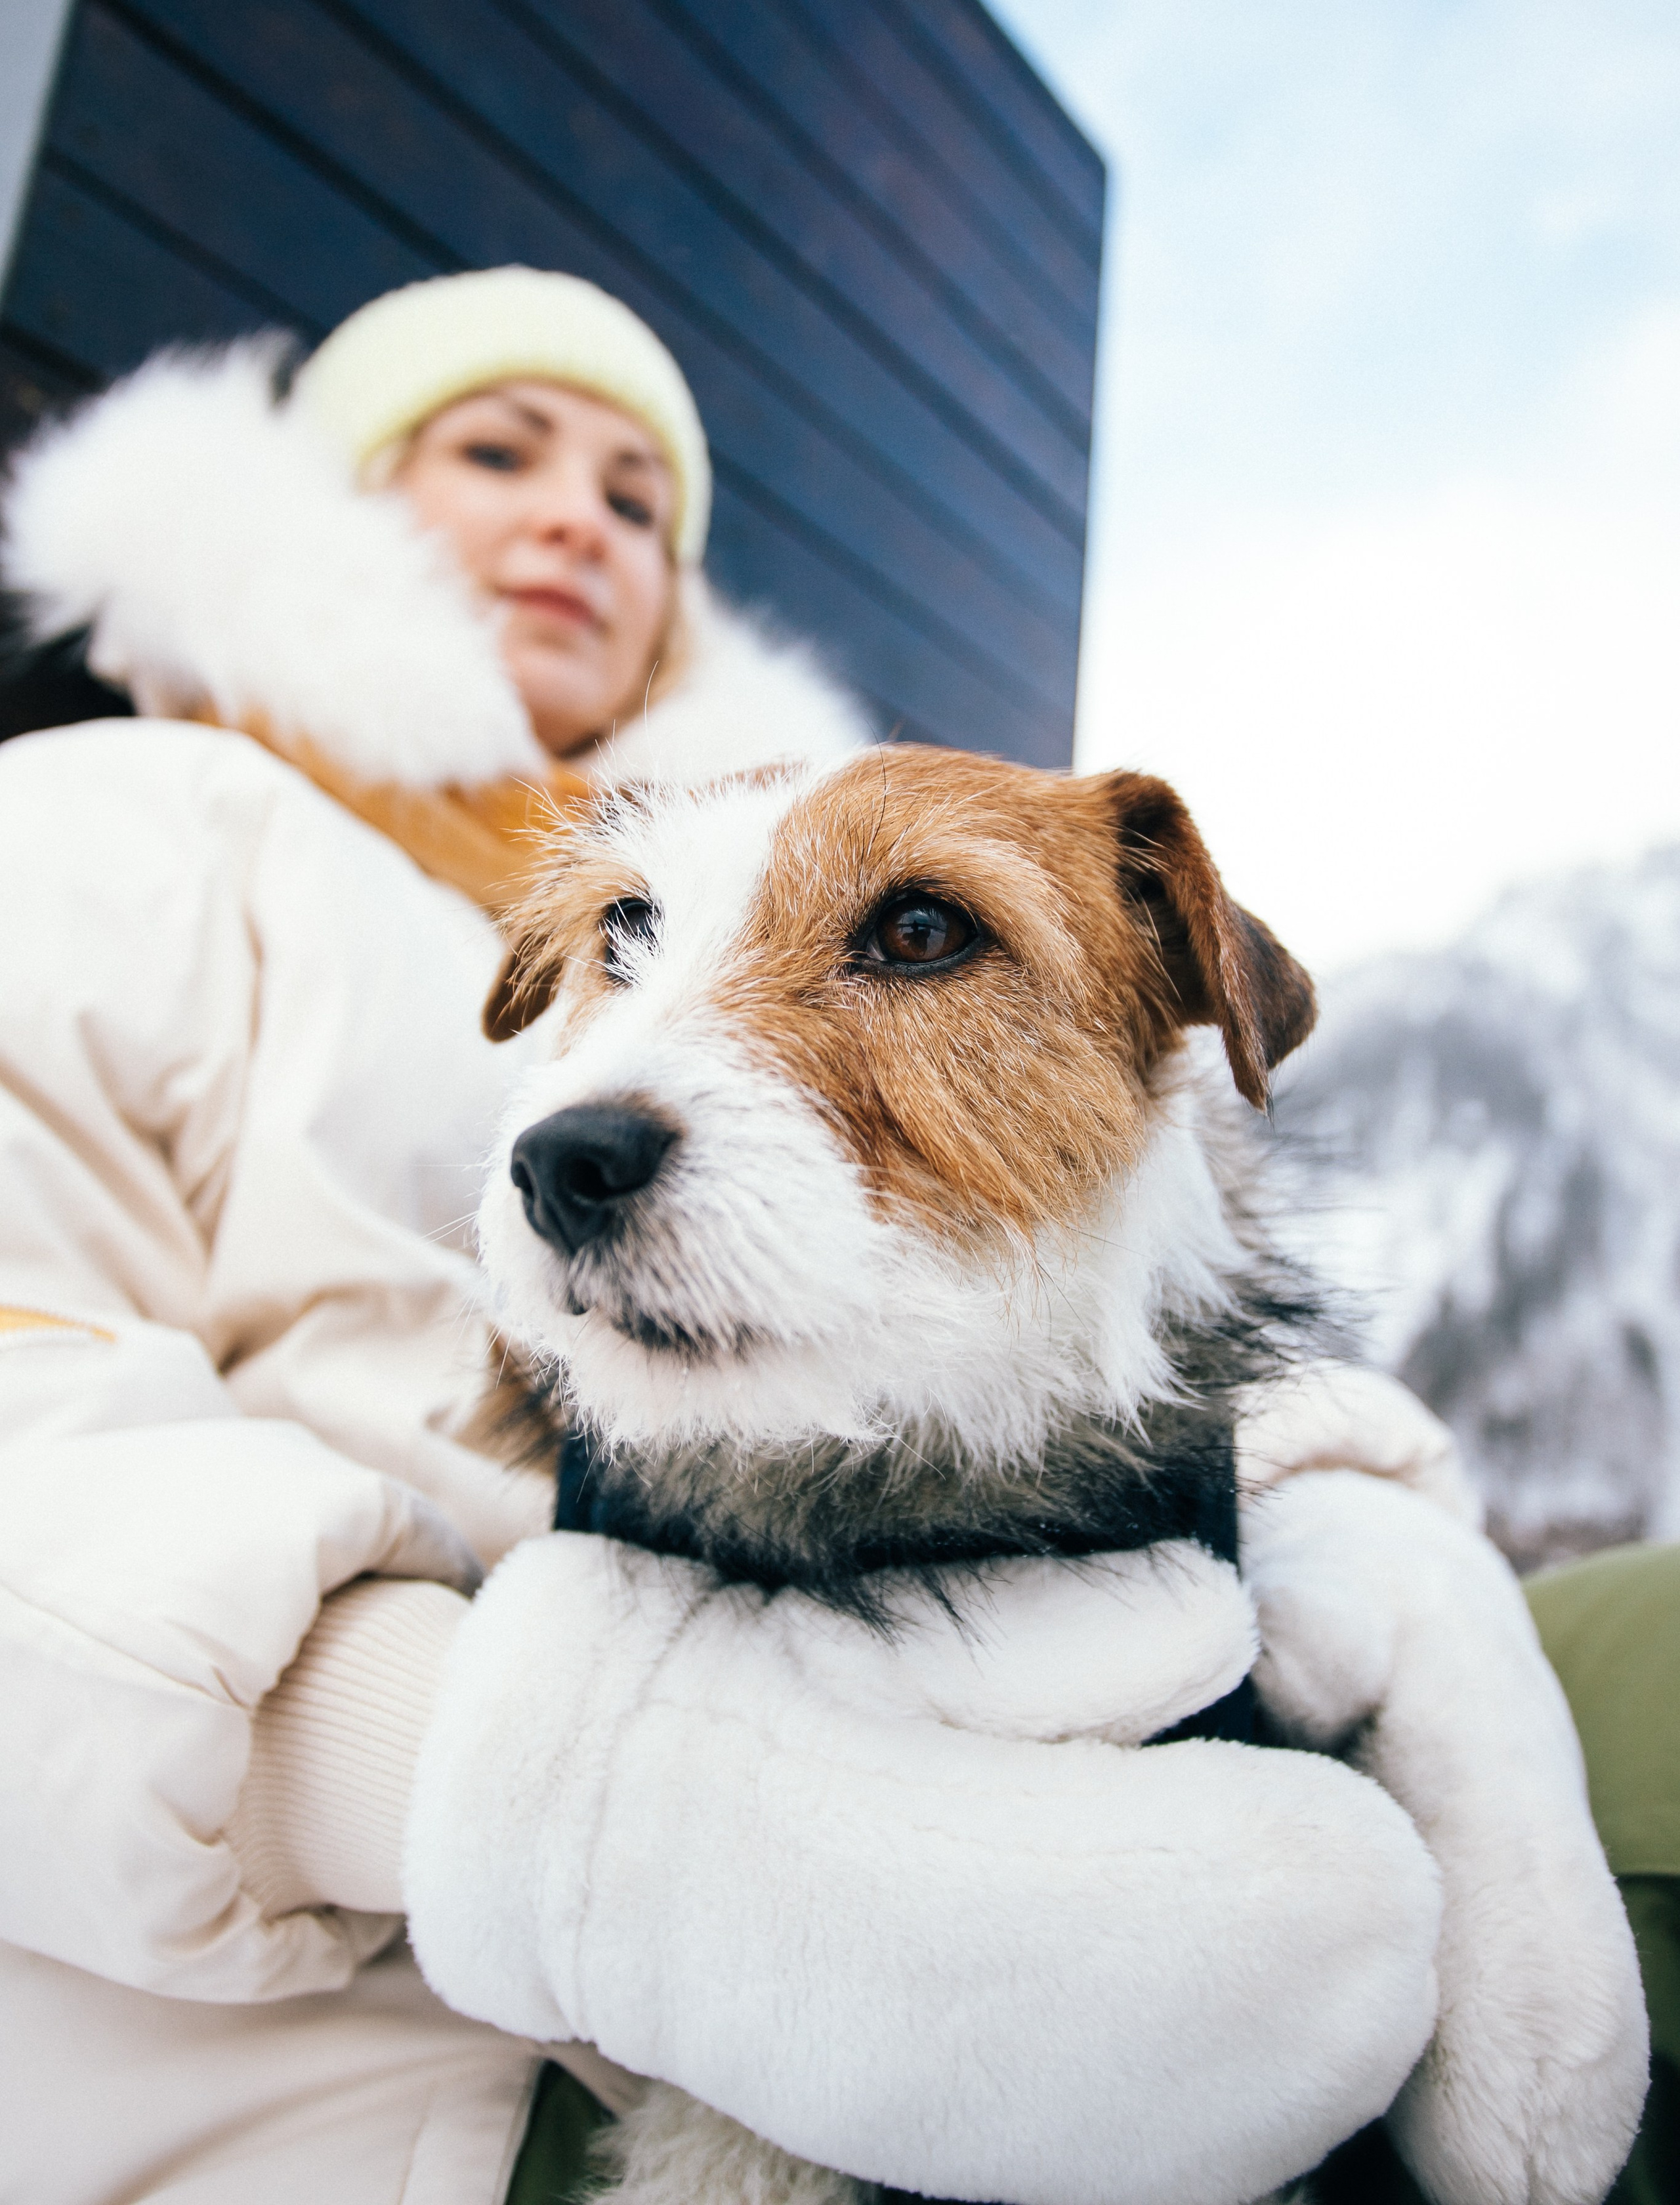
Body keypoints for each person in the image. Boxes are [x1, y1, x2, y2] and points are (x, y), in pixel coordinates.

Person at [0, 266, 1643, 2204]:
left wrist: (1362, 1524)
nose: (572, 520)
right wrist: (552, 1797)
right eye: (495, 450)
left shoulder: (769, 850)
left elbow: (1039, 1287)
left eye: (639, 502)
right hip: (383, 2023)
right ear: (327, 507)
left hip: (966, 1681)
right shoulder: (123, 817)